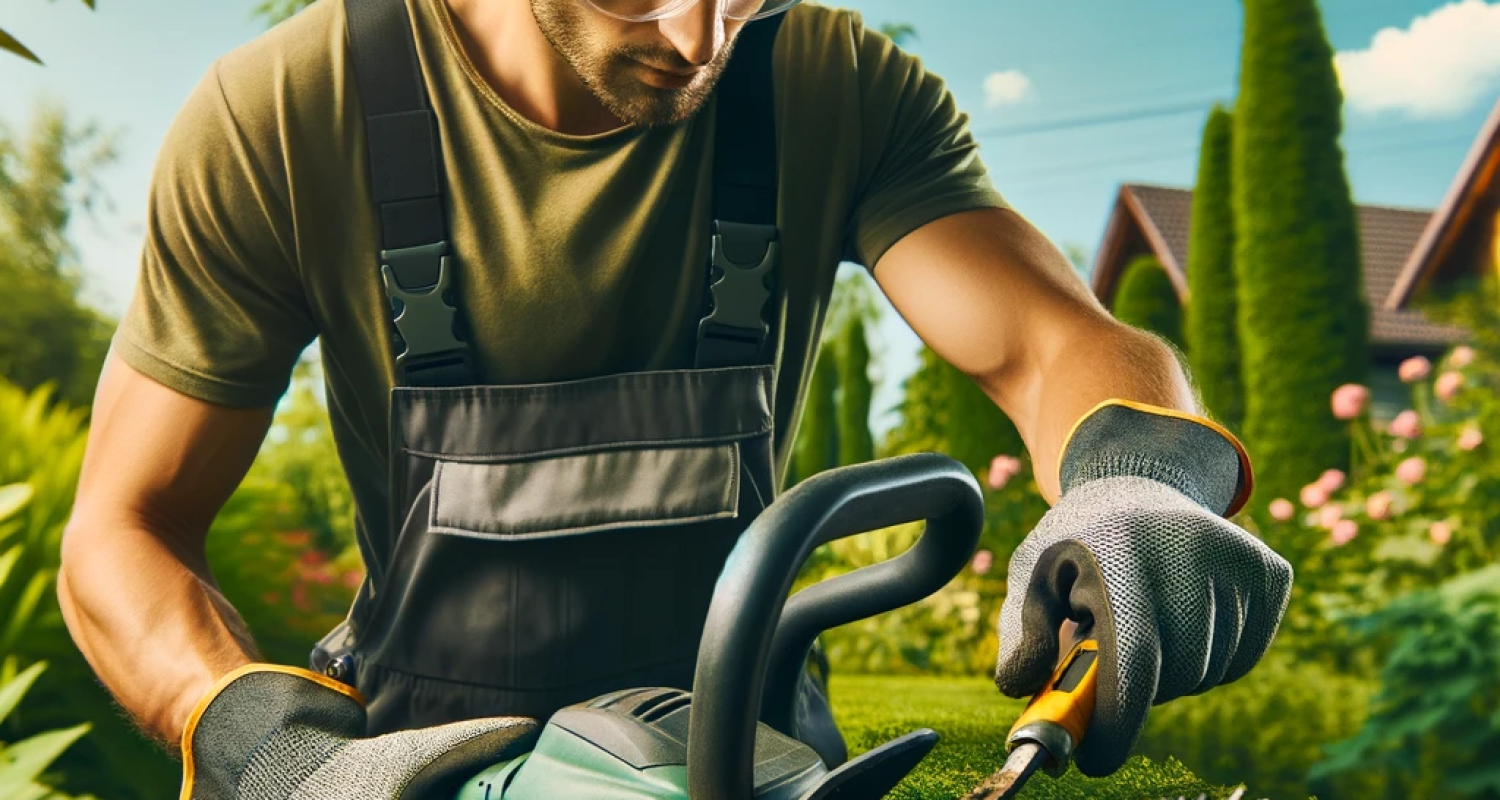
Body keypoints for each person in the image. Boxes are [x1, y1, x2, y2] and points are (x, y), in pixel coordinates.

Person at [56, 0, 1293, 796]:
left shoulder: (830, 84)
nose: (703, 36)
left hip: (755, 744)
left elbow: (1050, 344)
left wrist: (1137, 476)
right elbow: (123, 530)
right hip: (416, 756)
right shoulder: (282, 112)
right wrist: (265, 743)